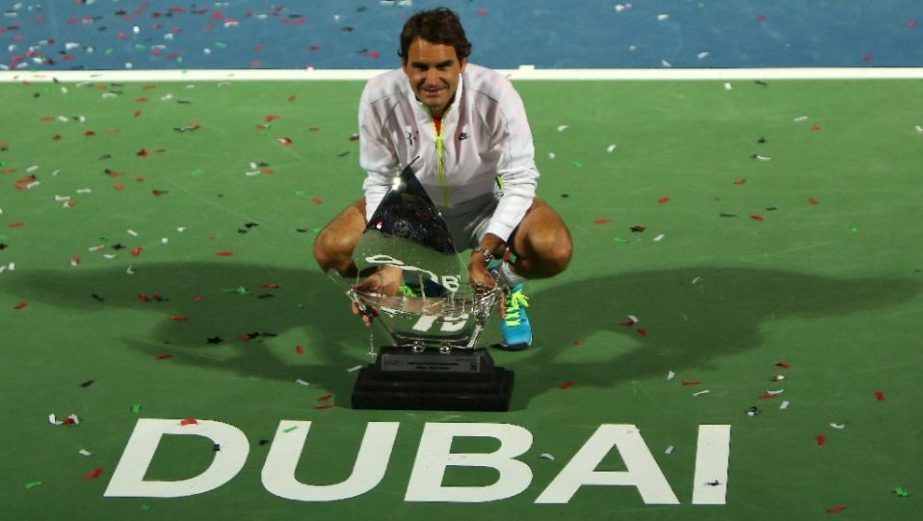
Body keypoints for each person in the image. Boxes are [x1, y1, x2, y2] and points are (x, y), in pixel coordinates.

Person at [314, 7, 572, 350]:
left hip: (484, 209)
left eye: (443, 66)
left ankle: (503, 283)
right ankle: (420, 278)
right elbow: (379, 181)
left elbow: (520, 181)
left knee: (552, 248)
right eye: (420, 67)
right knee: (332, 249)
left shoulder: (495, 95)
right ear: (404, 64)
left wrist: (484, 252)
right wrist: (388, 260)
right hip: (411, 213)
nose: (431, 79)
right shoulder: (379, 97)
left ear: (462, 63)